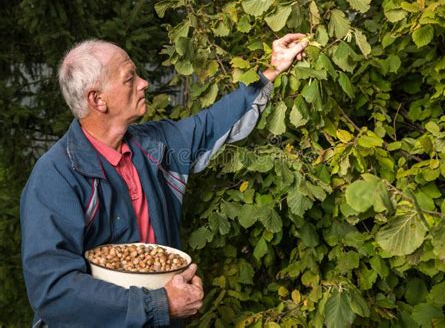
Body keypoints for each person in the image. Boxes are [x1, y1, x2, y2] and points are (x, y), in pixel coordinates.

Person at [20, 33, 308, 327]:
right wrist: (160, 304)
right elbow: (53, 290)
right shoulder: (56, 176)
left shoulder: (153, 145)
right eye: (130, 78)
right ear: (97, 99)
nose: (144, 83)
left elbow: (211, 124)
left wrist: (272, 70)